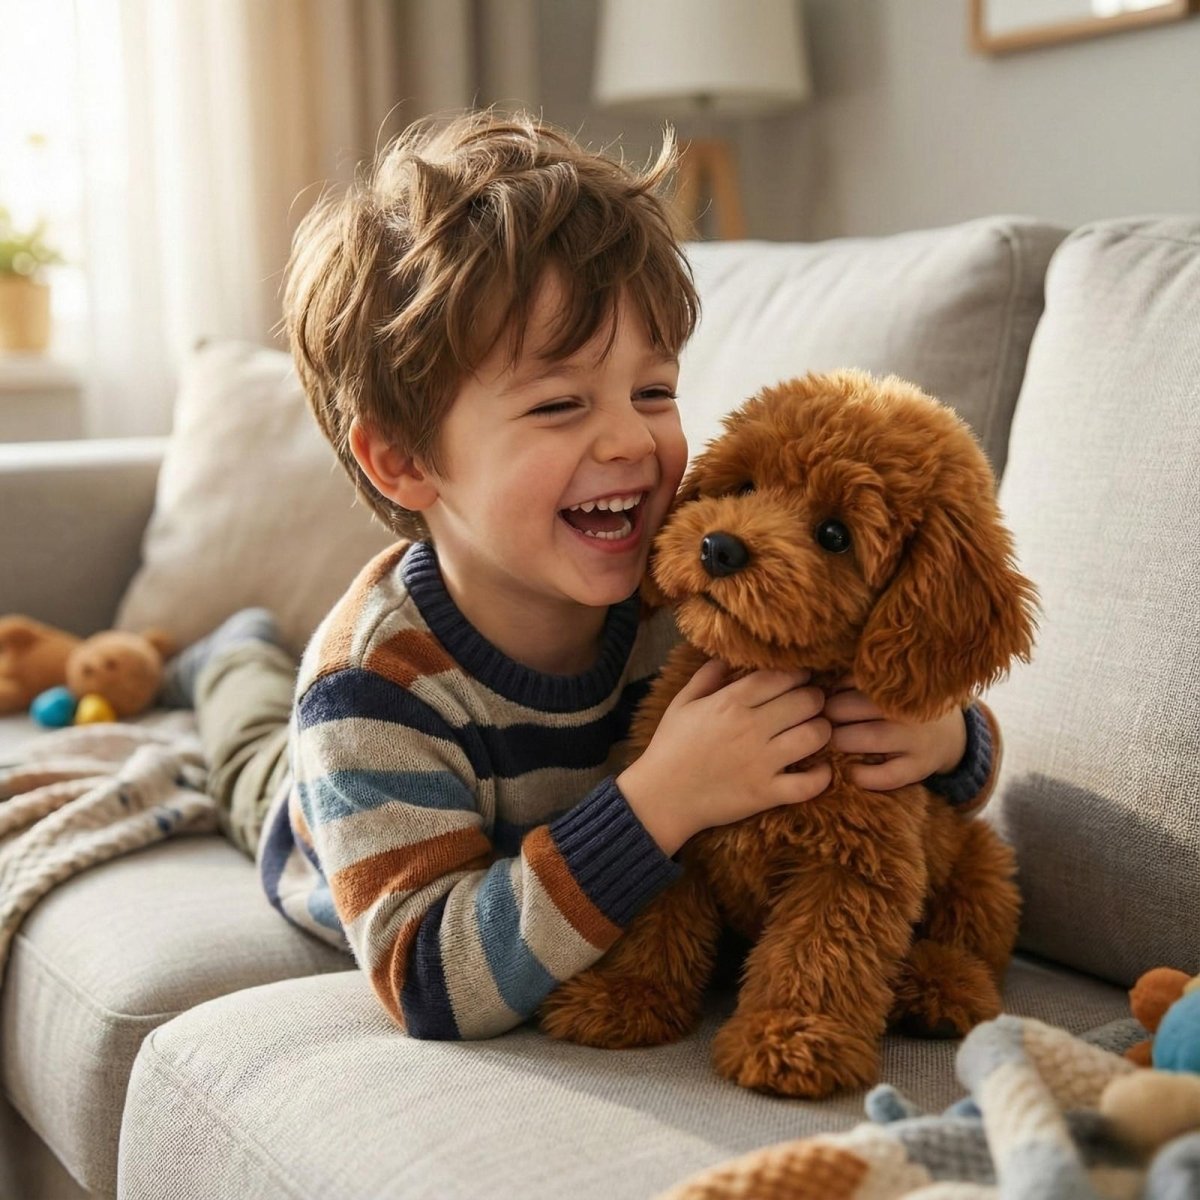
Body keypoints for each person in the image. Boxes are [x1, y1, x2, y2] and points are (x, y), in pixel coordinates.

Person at [160, 109, 998, 1040]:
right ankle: (228, 657)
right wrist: (659, 804)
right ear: (402, 462)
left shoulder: (700, 586)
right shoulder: (370, 697)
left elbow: (887, 697)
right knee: (249, 746)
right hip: (315, 823)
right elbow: (434, 985)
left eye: (655, 392)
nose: (631, 439)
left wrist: (945, 739)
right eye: (560, 403)